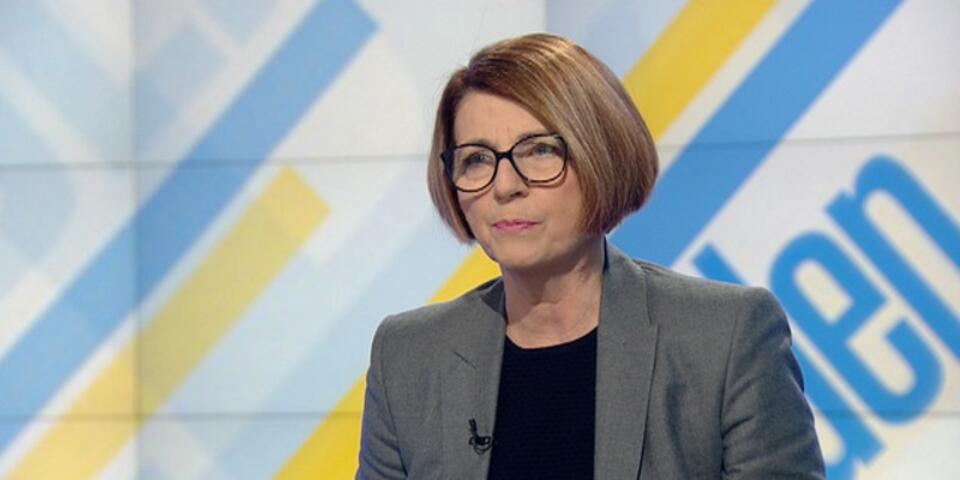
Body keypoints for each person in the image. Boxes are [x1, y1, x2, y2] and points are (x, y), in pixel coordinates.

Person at [356, 33, 824, 479]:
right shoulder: (409, 356)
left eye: (540, 150)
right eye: (477, 159)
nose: (505, 186)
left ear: (601, 155)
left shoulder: (725, 337)